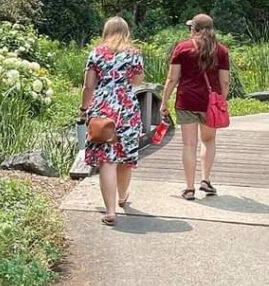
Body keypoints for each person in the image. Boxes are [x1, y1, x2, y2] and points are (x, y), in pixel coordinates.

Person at [80, 17, 145, 226]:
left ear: (106, 31)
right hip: (126, 108)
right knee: (125, 156)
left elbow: (89, 85)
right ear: (126, 31)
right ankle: (123, 196)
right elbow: (137, 82)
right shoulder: (134, 54)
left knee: (107, 160)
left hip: (102, 109)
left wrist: (84, 108)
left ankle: (110, 212)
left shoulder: (96, 53)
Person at [160, 13, 231, 200]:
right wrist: (221, 101)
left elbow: (172, 78)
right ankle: (206, 181)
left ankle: (190, 188)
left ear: (195, 29)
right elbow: (224, 82)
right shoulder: (221, 51)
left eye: (191, 27)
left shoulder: (182, 48)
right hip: (210, 104)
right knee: (208, 141)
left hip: (186, 101)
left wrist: (164, 101)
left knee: (189, 145)